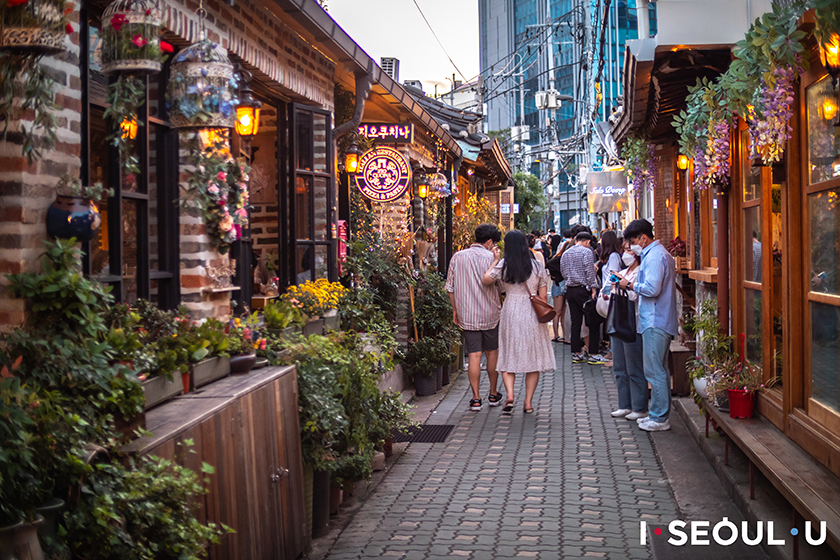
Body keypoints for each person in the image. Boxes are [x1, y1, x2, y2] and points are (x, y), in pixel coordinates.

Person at [482, 230, 556, 414]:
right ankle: (528, 402)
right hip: (532, 311)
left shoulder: (504, 265)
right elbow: (544, 295)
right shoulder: (537, 266)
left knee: (508, 354)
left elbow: (485, 280)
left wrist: (494, 260)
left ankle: (510, 395)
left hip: (511, 310)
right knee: (533, 357)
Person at [619, 219, 678, 432]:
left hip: (655, 319)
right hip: (656, 319)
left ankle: (659, 417)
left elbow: (652, 289)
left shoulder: (654, 256)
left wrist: (630, 284)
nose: (632, 247)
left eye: (633, 241)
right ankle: (657, 414)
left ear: (643, 238)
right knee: (656, 369)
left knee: (655, 371)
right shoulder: (657, 254)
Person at [446, 224, 504, 411]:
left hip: (467, 314)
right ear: (489, 241)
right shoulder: (492, 259)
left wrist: (455, 310)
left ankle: (476, 398)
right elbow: (501, 287)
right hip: (490, 314)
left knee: (474, 355)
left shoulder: (457, 257)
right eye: (493, 243)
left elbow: (450, 287)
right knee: (492, 353)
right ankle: (493, 394)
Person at [605, 241, 648, 420]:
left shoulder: (641, 272)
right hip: (618, 322)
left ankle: (639, 406)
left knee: (634, 367)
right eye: (624, 250)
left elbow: (635, 295)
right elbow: (607, 291)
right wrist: (611, 288)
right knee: (620, 367)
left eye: (629, 250)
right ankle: (624, 405)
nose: (626, 254)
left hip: (634, 323)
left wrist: (625, 285)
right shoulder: (621, 273)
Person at [560, 231, 606, 365]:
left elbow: (563, 271)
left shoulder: (566, 253)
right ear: (587, 242)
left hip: (570, 290)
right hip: (583, 290)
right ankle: (593, 354)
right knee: (593, 321)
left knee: (576, 322)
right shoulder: (587, 252)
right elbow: (589, 271)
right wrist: (593, 288)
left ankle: (576, 353)